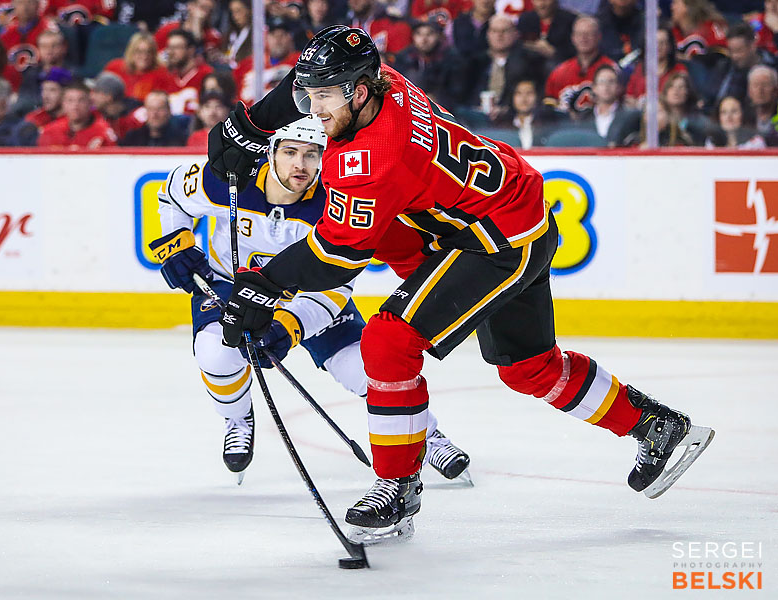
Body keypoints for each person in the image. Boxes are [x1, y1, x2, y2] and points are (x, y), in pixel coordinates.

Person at [205, 25, 715, 542]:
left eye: (324, 98)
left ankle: (397, 486)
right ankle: (655, 426)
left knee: (387, 339)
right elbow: (312, 76)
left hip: (495, 244)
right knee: (527, 368)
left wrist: (261, 284)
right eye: (309, 97)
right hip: (512, 216)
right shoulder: (383, 82)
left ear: (358, 92)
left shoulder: (372, 157)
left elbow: (337, 256)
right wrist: (249, 124)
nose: (313, 110)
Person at [153, 116, 472, 484]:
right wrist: (175, 243)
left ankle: (425, 436)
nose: (300, 165)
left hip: (311, 296)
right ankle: (237, 418)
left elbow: (337, 286)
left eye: (312, 154)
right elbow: (172, 194)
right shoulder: (228, 178)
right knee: (216, 353)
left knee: (369, 372)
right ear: (270, 151)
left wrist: (289, 325)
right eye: (289, 152)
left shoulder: (339, 200)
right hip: (232, 287)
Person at [544, 16, 618, 115]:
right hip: (565, 128)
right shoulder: (559, 72)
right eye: (579, 34)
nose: (583, 38)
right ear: (573, 38)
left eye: (589, 34)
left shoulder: (611, 70)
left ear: (599, 37)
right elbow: (549, 108)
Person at [37, 81, 118, 148]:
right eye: (70, 100)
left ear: (90, 103)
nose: (75, 105)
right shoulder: (50, 132)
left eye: (81, 100)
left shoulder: (103, 132)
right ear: (63, 104)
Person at [119, 89, 189, 146]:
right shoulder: (132, 139)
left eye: (160, 109)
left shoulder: (182, 140)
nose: (154, 114)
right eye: (150, 109)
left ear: (169, 111)